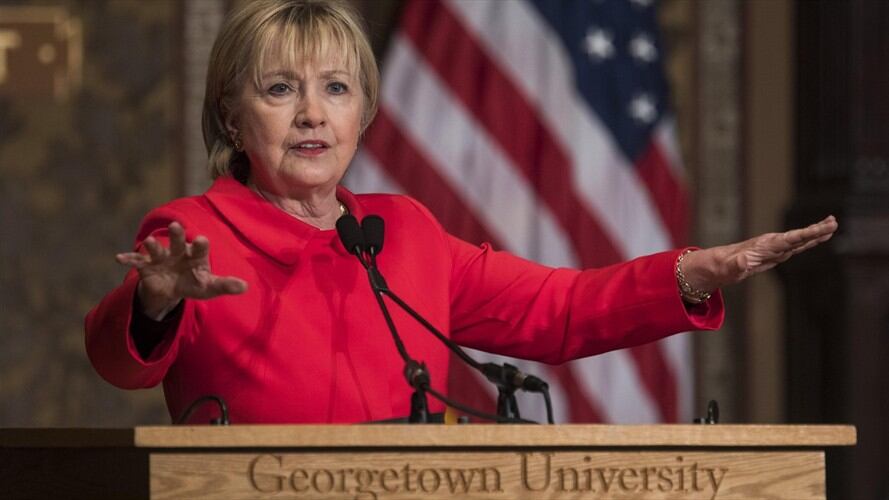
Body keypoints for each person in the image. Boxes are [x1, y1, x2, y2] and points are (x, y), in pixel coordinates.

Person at [84, 0, 838, 424]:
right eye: (281, 89)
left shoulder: (401, 233)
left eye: (336, 90)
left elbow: (559, 310)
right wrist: (154, 301)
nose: (312, 114)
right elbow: (118, 363)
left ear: (363, 112)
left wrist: (688, 274)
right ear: (231, 112)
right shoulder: (193, 234)